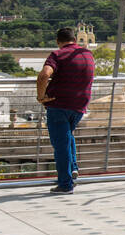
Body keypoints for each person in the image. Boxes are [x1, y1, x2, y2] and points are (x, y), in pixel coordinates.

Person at [36, 26, 96, 195]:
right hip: (79, 105)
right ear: (75, 40)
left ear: (58, 42)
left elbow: (44, 75)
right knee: (67, 135)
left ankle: (65, 184)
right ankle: (73, 168)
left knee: (60, 144)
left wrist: (41, 97)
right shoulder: (87, 54)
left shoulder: (57, 54)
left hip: (58, 104)